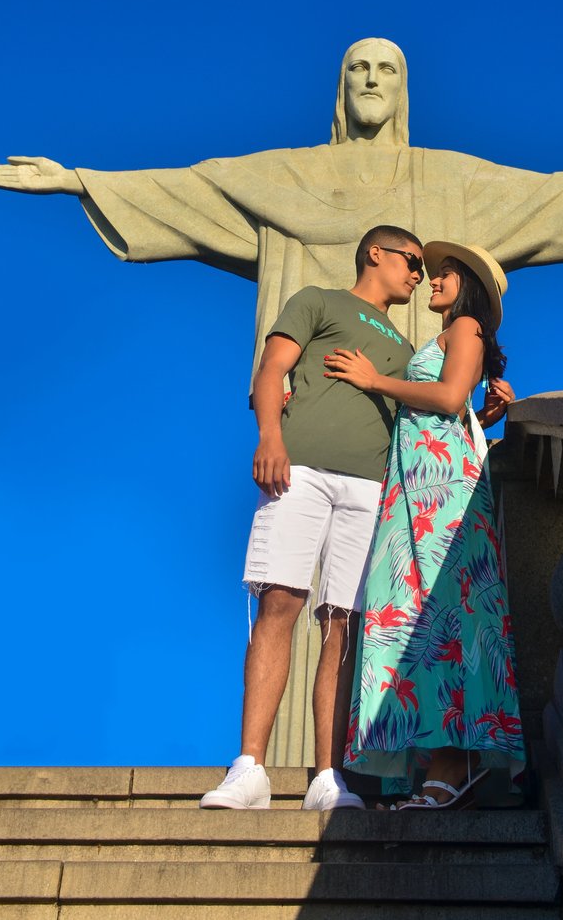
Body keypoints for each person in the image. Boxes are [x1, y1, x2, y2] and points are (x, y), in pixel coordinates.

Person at [0, 36, 563, 393]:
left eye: (387, 68)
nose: (372, 79)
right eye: (358, 68)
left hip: (418, 397)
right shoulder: (285, 175)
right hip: (315, 398)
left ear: (405, 87)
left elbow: (547, 195)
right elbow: (191, 190)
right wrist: (80, 181)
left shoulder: (447, 178)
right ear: (340, 86)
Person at [199, 224, 424, 811]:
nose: (419, 274)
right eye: (412, 261)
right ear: (376, 253)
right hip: (299, 473)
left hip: (372, 489)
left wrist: (488, 411)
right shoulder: (317, 301)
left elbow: (431, 413)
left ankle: (329, 778)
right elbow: (271, 370)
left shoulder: (403, 349)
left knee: (343, 624)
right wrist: (270, 437)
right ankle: (248, 769)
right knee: (280, 602)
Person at [324, 241, 524, 807]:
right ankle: (437, 763)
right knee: (414, 617)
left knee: (442, 616)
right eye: (432, 274)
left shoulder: (466, 331)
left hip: (444, 493)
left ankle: (452, 764)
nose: (432, 281)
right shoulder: (445, 337)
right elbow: (456, 401)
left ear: (470, 287)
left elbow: (448, 393)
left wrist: (373, 381)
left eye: (445, 275)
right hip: (416, 486)